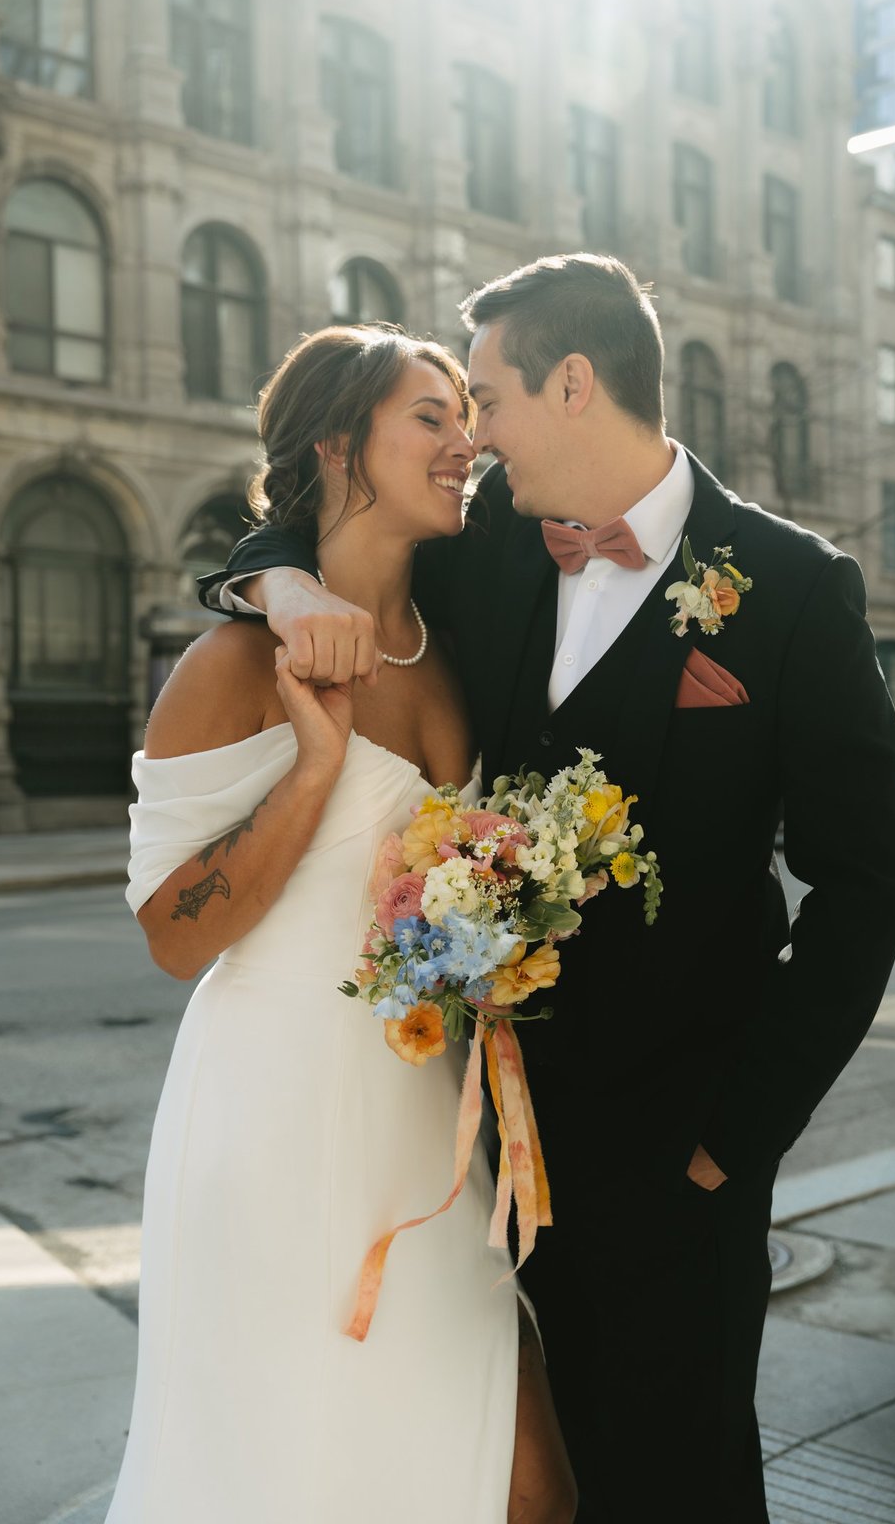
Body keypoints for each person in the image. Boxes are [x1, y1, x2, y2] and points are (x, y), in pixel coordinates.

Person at [202, 255, 895, 1522]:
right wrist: (283, 585)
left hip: (678, 1162)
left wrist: (731, 1141)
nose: (470, 435)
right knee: (523, 1479)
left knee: (680, 1478)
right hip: (486, 1145)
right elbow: (305, 523)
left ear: (574, 383)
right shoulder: (486, 551)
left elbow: (865, 884)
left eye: (486, 397)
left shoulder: (795, 589)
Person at [109, 324, 577, 1524]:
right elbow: (172, 939)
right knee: (297, 1476)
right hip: (275, 1126)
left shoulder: (458, 651)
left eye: (464, 414)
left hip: (428, 1127)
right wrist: (315, 765)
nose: (464, 440)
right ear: (336, 443)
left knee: (528, 1490)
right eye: (430, 416)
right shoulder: (230, 660)